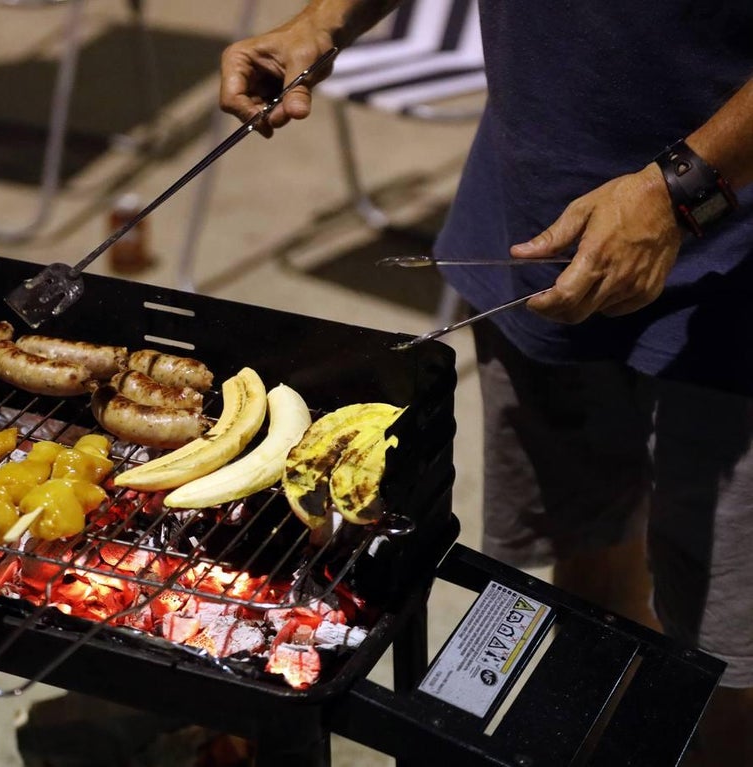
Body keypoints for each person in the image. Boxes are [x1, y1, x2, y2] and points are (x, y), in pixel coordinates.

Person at [218, 1, 753, 764]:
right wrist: (327, 20)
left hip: (735, 281)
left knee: (728, 657)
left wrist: (680, 191)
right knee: (589, 566)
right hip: (532, 228)